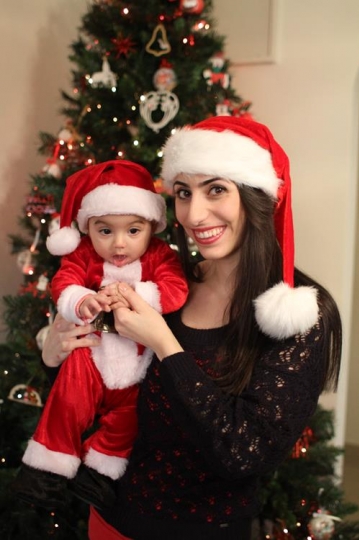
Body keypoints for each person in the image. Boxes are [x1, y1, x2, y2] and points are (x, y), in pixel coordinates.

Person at [39, 117, 342, 540]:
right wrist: (55, 359)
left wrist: (164, 344)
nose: (194, 214)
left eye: (215, 189)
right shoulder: (166, 284)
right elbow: (105, 390)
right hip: (109, 518)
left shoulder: (300, 312)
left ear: (256, 196)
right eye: (183, 193)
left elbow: (243, 452)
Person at [11, 160, 188, 511]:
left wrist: (136, 296)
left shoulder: (161, 256)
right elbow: (64, 282)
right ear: (88, 227)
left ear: (151, 226)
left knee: (130, 417)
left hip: (138, 364)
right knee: (68, 400)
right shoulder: (83, 255)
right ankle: (47, 467)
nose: (119, 244)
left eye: (133, 231)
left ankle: (99, 470)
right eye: (105, 231)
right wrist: (83, 300)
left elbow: (176, 288)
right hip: (92, 354)